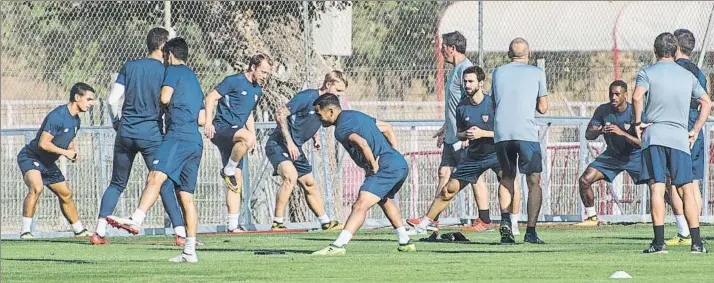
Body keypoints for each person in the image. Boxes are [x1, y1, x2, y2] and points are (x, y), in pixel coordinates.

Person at [107, 37, 207, 262]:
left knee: (155, 176)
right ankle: (190, 251)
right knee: (186, 197)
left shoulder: (173, 70)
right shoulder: (194, 78)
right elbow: (202, 119)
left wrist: (158, 105)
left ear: (169, 54)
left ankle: (136, 219)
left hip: (177, 137)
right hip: (194, 141)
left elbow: (164, 96)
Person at [93, 27, 187, 246]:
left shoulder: (130, 66)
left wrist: (117, 122)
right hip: (151, 134)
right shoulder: (166, 71)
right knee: (162, 182)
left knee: (117, 183)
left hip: (125, 132)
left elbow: (111, 100)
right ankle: (180, 233)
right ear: (164, 47)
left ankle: (98, 232)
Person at [633, 32, 710, 254]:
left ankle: (659, 243)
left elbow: (638, 97)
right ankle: (697, 243)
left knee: (657, 187)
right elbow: (706, 102)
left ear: (654, 51)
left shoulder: (647, 72)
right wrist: (695, 130)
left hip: (655, 136)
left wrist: (638, 122)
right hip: (679, 138)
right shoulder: (687, 75)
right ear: (675, 50)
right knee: (687, 188)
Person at [311, 94, 415, 255]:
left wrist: (373, 167)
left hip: (385, 166)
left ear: (330, 111)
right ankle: (405, 241)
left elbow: (362, 143)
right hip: (398, 163)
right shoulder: (356, 115)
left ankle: (338, 246)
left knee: (359, 205)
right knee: (384, 200)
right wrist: (394, 153)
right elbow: (387, 128)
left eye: (319, 114)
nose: (319, 119)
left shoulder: (341, 129)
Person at [408, 66, 502, 232]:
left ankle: (512, 225)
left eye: (471, 81)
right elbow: (459, 133)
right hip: (474, 157)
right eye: (465, 81)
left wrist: (483, 133)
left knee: (509, 183)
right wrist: (465, 134)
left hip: (496, 154)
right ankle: (424, 224)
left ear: (481, 83)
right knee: (448, 189)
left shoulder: (493, 104)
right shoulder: (462, 106)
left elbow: (503, 133)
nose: (467, 85)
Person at [267, 71, 347, 231]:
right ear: (328, 84)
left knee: (310, 184)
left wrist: (315, 138)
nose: (340, 96)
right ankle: (277, 222)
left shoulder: (323, 103)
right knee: (291, 176)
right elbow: (280, 114)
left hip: (296, 148)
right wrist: (289, 142)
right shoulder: (307, 97)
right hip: (279, 144)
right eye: (338, 91)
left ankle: (326, 222)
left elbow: (309, 120)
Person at [203, 54, 272, 233]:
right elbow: (210, 98)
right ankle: (228, 169)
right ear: (253, 67)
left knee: (236, 179)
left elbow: (248, 113)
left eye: (267, 73)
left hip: (236, 136)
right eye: (263, 72)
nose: (265, 76)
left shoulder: (258, 91)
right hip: (222, 129)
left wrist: (254, 136)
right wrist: (209, 123)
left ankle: (233, 225)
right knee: (246, 139)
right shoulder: (233, 81)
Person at [18, 82, 95, 239]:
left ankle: (79, 231)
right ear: (77, 97)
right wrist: (65, 152)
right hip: (31, 156)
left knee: (66, 194)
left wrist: (72, 151)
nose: (90, 103)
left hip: (48, 163)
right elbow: (43, 144)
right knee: (37, 187)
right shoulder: (57, 116)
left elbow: (69, 139)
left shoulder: (76, 120)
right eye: (88, 99)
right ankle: (25, 232)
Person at [492, 37, 548, 245]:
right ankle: (530, 231)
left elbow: (495, 103)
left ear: (508, 53)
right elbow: (543, 107)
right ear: (529, 52)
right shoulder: (537, 73)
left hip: (502, 133)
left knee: (507, 177)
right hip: (526, 134)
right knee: (533, 181)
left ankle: (506, 222)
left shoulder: (497, 72)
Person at [575, 80, 642, 226]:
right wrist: (600, 130)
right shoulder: (603, 110)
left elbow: (642, 143)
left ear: (625, 95)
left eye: (617, 94)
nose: (614, 97)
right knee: (584, 180)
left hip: (636, 156)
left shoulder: (634, 112)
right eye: (611, 94)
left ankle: (681, 221)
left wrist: (622, 133)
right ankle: (592, 218)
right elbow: (588, 134)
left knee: (660, 186)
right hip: (612, 156)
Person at [664, 28, 708, 246]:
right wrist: (698, 127)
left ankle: (684, 232)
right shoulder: (698, 71)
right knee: (692, 183)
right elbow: (705, 101)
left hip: (679, 128)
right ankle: (694, 231)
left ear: (676, 46)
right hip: (695, 131)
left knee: (674, 181)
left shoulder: (675, 69)